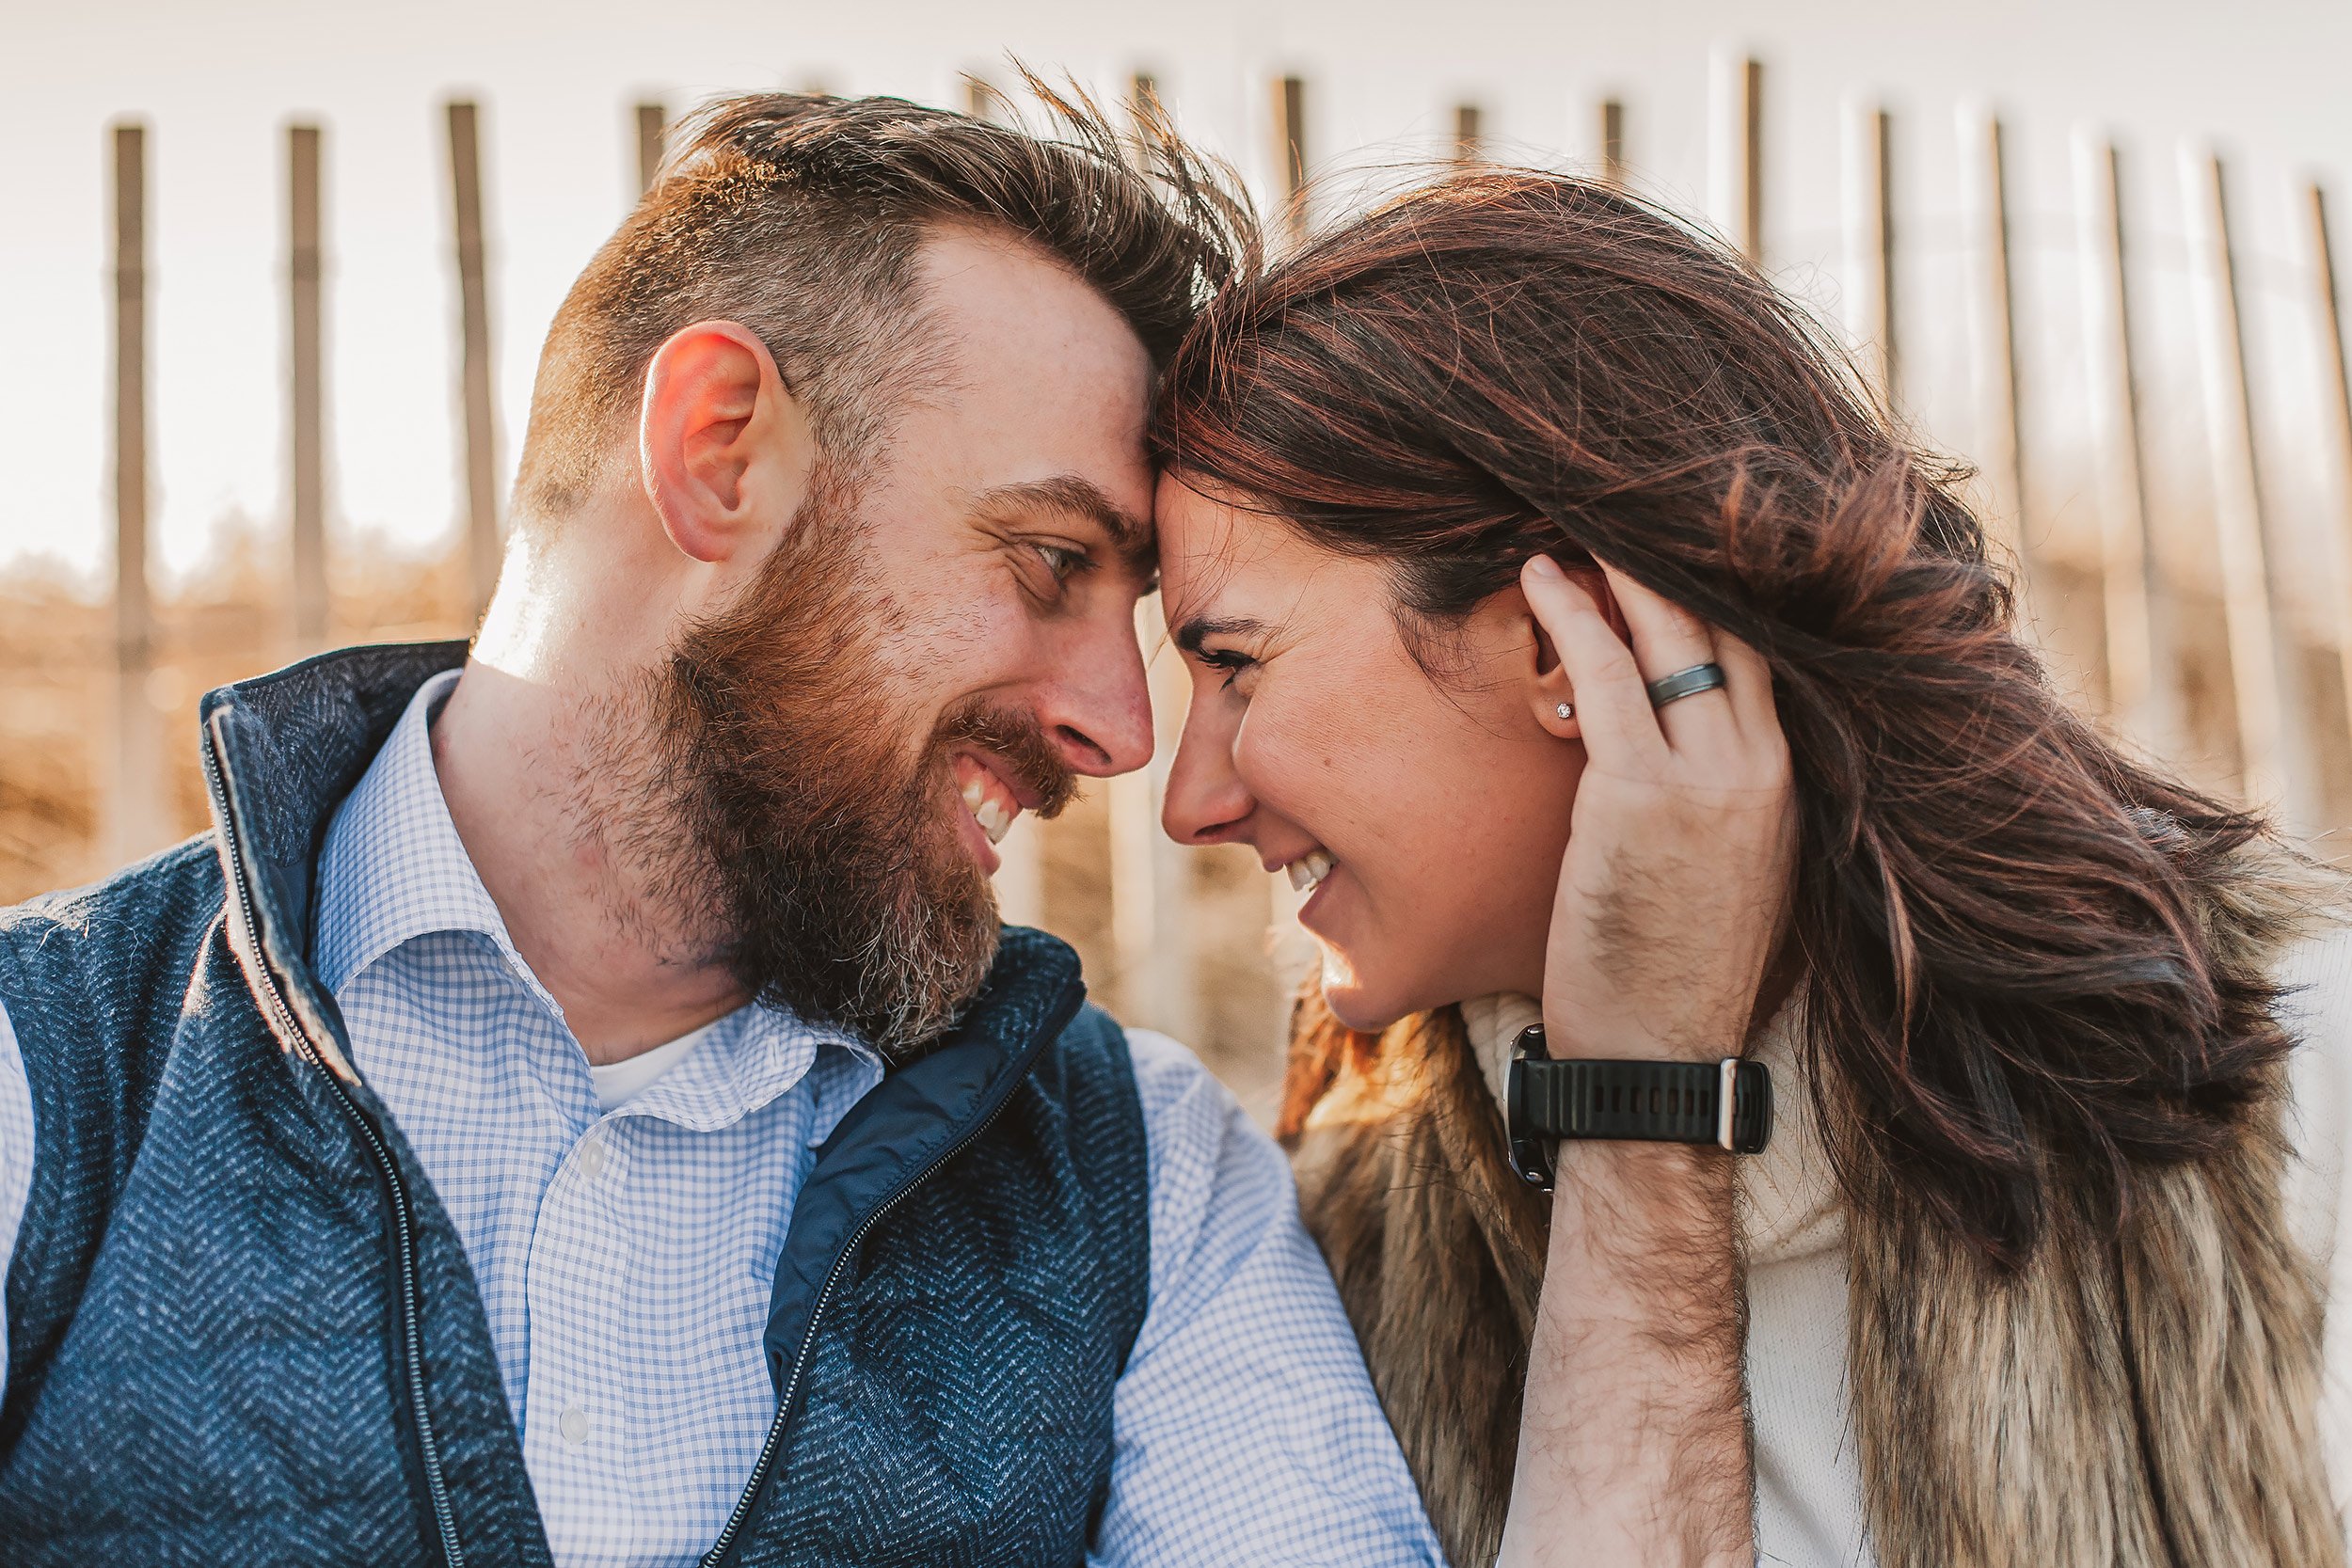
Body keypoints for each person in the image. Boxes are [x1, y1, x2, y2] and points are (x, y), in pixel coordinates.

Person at [0, 90, 1446, 1567]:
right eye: (1049, 559)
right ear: (719, 448)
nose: (1123, 734)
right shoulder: (37, 1078)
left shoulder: (1146, 1178)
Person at [1151, 167, 2352, 1568]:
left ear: (1573, 640)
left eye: (1234, 667)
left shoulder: (2294, 1081)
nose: (1191, 800)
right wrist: (1639, 1107)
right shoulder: (1329, 1222)